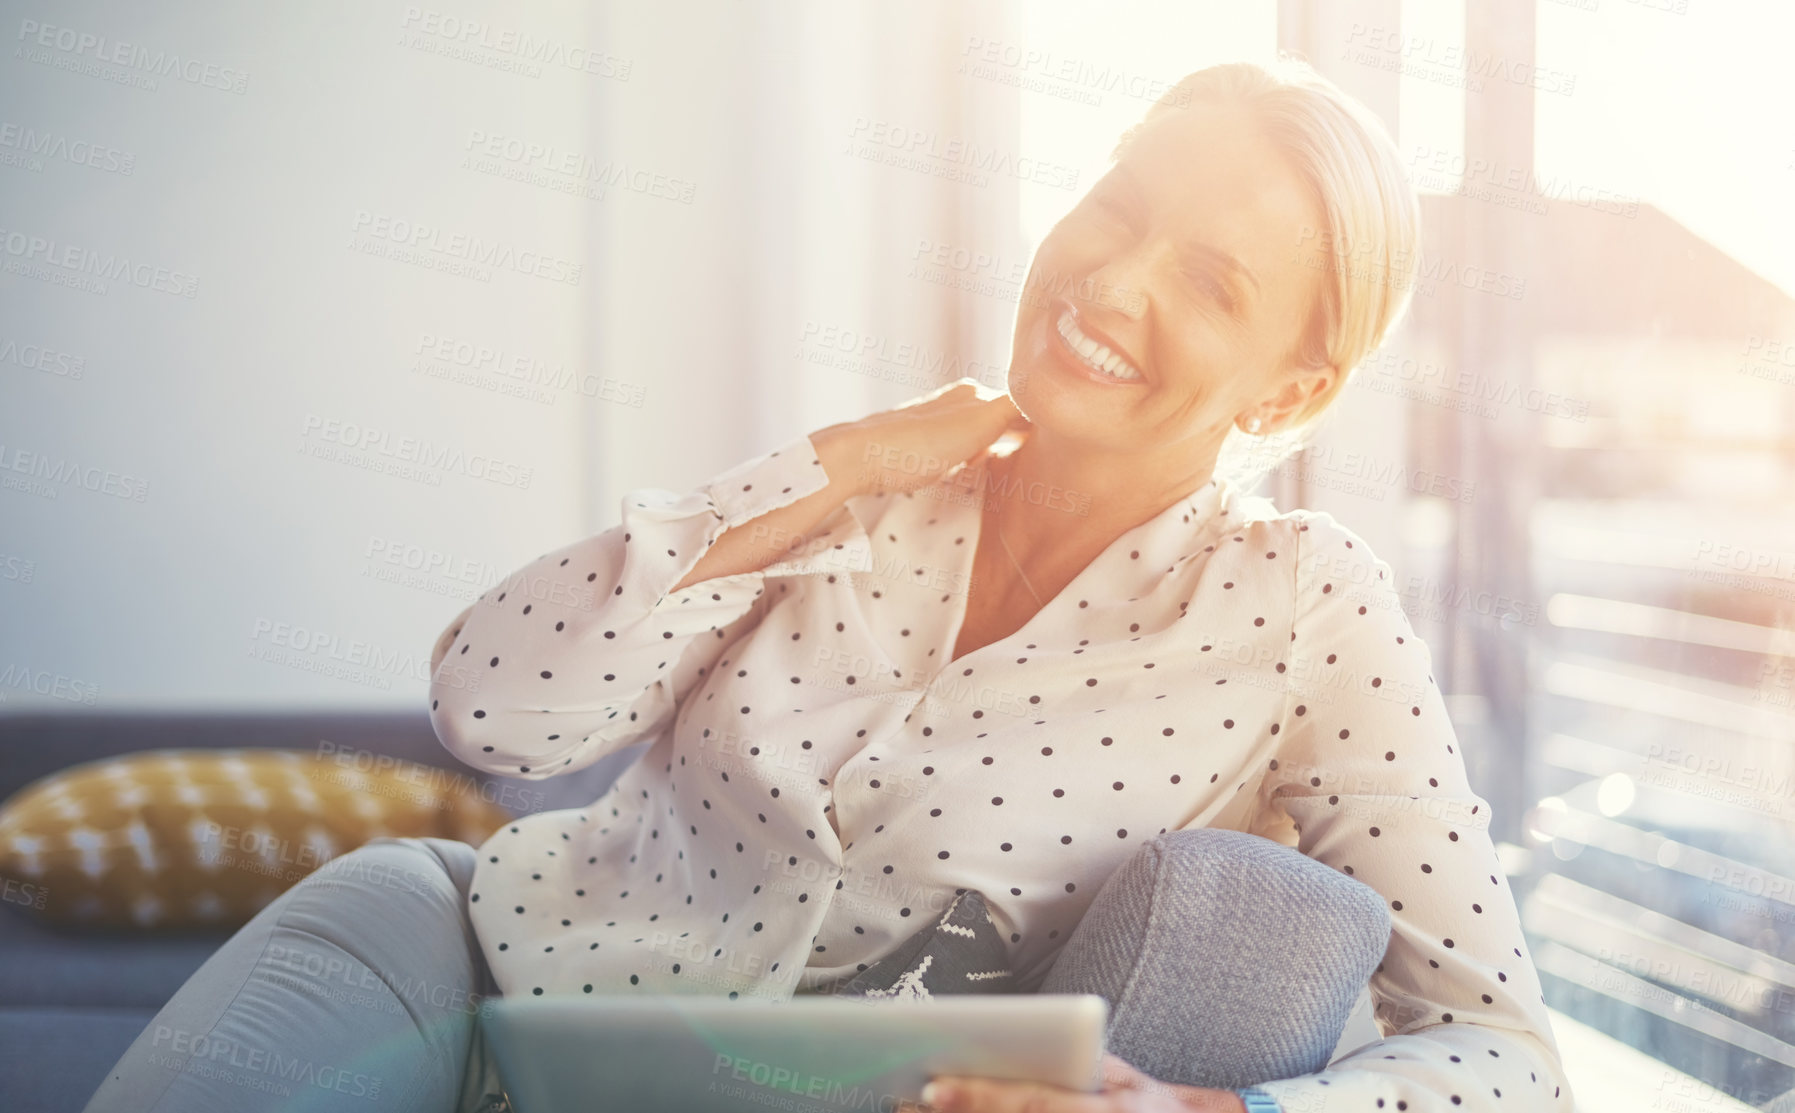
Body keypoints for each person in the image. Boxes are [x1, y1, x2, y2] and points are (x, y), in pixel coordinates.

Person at [85, 59, 1574, 1113]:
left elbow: (1509, 1058)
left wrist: (1202, 1112)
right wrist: (835, 461)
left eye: (1212, 283)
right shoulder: (865, 487)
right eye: (1119, 208)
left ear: (1288, 384)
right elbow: (489, 705)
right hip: (464, 949)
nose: (1114, 284)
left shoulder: (1300, 606)